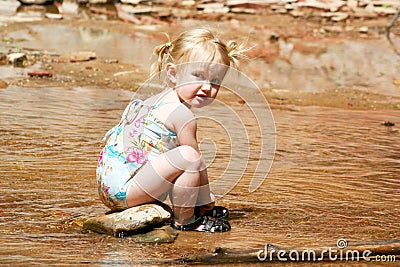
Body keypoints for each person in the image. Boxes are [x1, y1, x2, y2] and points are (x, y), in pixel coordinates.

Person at [96, 28, 246, 232]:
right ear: (173, 73)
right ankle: (187, 220)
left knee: (185, 159)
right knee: (190, 157)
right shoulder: (181, 114)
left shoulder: (153, 101)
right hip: (129, 190)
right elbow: (196, 163)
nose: (207, 87)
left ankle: (195, 209)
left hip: (111, 188)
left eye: (215, 81)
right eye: (198, 76)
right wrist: (206, 198)